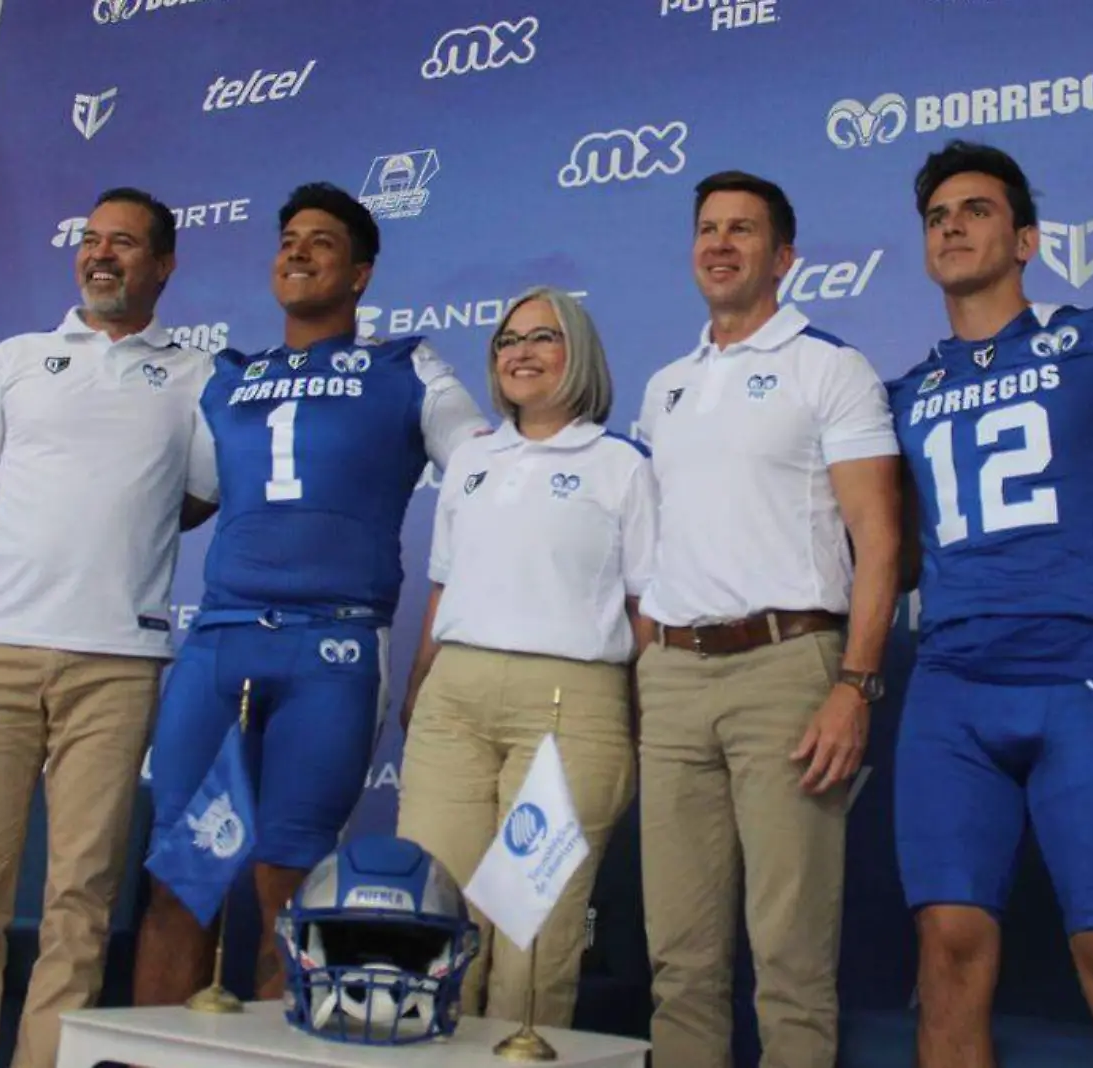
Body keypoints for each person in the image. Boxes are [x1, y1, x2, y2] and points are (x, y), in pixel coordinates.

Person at [133, 181, 487, 1007]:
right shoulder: (227, 379)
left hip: (332, 645)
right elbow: (170, 499)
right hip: (219, 639)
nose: (297, 250)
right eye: (288, 238)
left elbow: (487, 474)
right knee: (180, 877)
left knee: (290, 889)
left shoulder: (408, 366)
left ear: (360, 273)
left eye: (320, 241)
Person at [882, 140, 1093, 1067]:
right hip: (953, 682)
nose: (952, 227)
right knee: (948, 951)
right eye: (937, 217)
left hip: (1080, 672)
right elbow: (887, 551)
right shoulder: (900, 392)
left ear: (1026, 240)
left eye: (975, 210)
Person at [0, 187, 216, 1068]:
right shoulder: (15, 357)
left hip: (118, 662)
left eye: (123, 243)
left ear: (162, 264)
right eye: (90, 239)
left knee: (80, 896)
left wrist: (117, 523)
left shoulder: (197, 374)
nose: (101, 254)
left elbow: (195, 496)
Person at [635, 170, 902, 1068]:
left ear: (783, 257)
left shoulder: (830, 367)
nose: (719, 244)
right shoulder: (664, 387)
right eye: (707, 228)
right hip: (671, 676)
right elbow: (653, 548)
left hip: (787, 670)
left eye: (742, 230)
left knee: (789, 962)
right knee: (679, 963)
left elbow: (880, 539)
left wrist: (854, 686)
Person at [395, 285, 654, 1027]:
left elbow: (646, 610)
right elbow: (444, 589)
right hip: (455, 701)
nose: (521, 353)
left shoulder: (621, 465)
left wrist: (641, 717)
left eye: (543, 338)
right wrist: (422, 685)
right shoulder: (471, 462)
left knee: (530, 932)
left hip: (571, 705)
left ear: (579, 354)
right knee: (434, 918)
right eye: (508, 341)